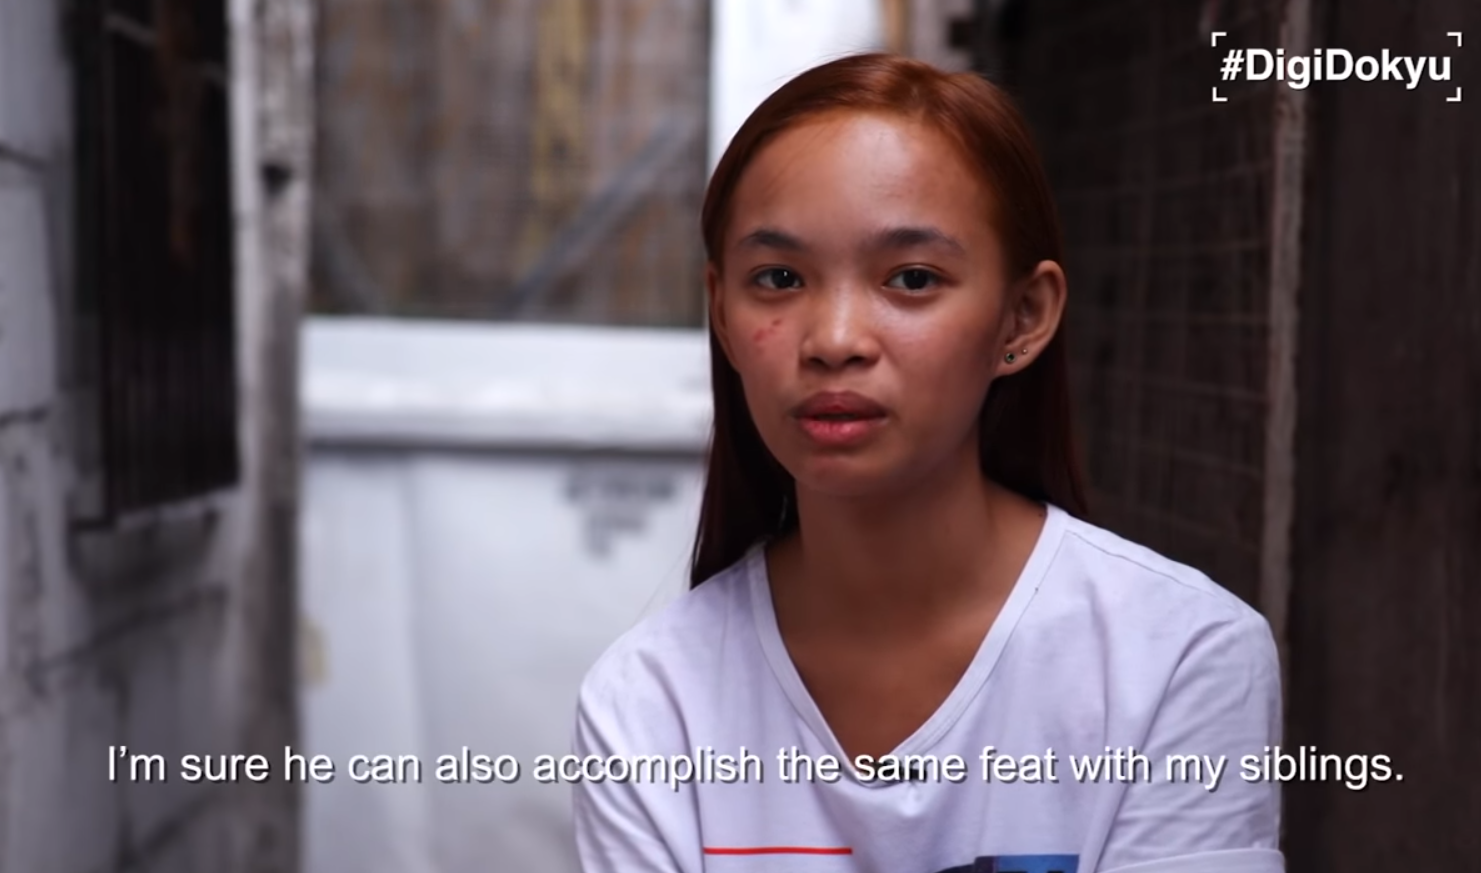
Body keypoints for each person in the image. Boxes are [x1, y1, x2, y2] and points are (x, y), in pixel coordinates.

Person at [570, 53, 1283, 873]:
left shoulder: (1175, 655)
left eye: (910, 278)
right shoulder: (649, 701)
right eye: (777, 278)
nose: (834, 339)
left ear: (1023, 315)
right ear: (722, 315)